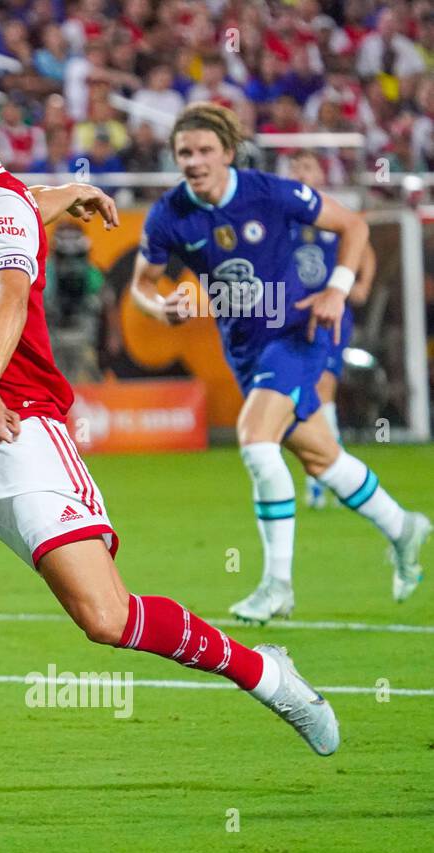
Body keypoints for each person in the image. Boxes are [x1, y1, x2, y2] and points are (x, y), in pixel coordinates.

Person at [0, 65, 341, 788]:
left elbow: (9, 291)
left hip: (20, 444)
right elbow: (11, 210)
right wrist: (64, 193)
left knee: (107, 619)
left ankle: (266, 672)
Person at [131, 103, 428, 619]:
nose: (195, 161)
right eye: (185, 152)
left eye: (205, 150)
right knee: (320, 457)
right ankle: (404, 527)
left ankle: (278, 586)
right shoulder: (169, 215)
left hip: (298, 332)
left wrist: (336, 291)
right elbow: (141, 286)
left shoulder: (269, 192)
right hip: (245, 349)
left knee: (254, 439)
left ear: (227, 152)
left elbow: (353, 225)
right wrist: (164, 308)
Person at [286, 149, 376, 510]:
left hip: (329, 314)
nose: (300, 172)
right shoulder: (286, 213)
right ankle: (327, 472)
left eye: (306, 166)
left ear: (320, 174)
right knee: (303, 395)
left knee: (324, 387)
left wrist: (361, 284)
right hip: (291, 315)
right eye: (295, 166)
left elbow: (363, 247)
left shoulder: (333, 212)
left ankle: (328, 479)